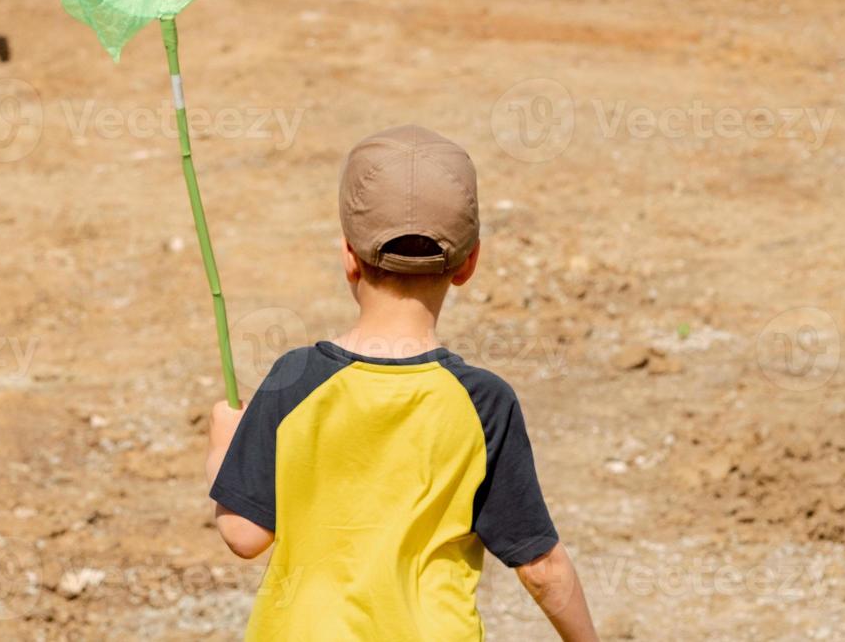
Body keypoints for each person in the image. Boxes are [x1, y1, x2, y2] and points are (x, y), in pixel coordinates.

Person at [206, 125, 601, 641]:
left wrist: (223, 448)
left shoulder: (294, 378)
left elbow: (244, 534)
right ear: (469, 263)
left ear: (348, 256)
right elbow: (540, 568)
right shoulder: (484, 403)